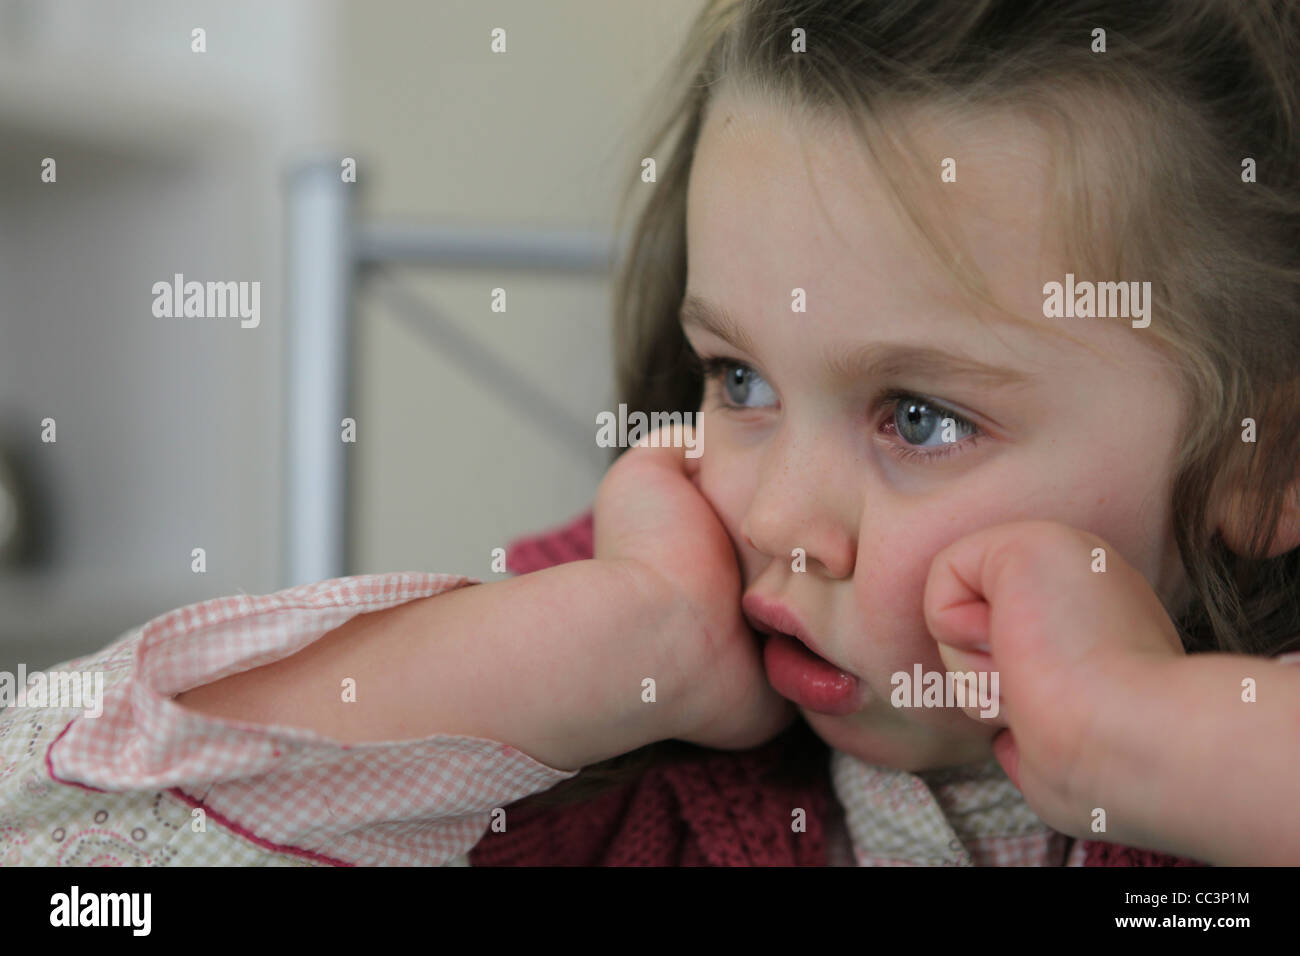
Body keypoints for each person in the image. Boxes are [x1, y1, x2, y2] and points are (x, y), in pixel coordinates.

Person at [2, 0, 1297, 866]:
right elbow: (44, 838)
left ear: (1267, 459)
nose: (777, 517)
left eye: (919, 416)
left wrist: (1165, 740)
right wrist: (612, 643)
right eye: (737, 379)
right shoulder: (618, 698)